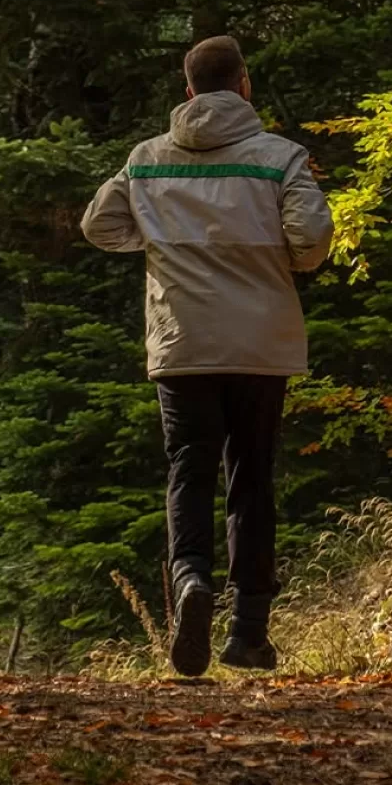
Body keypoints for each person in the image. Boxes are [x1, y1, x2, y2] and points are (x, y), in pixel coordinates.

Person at [81, 35, 333, 676]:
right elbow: (311, 240)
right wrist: (284, 257)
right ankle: (248, 632)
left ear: (188, 89)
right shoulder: (280, 157)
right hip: (259, 343)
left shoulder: (147, 160)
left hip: (183, 340)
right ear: (244, 84)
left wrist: (160, 241)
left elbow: (98, 225)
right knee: (251, 477)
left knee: (189, 469)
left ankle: (191, 577)